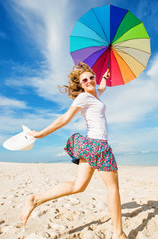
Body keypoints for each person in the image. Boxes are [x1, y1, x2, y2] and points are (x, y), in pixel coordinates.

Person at [19, 62, 127, 239]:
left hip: (90, 147)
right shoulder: (83, 98)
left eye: (91, 77)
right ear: (80, 84)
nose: (89, 81)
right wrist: (41, 134)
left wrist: (105, 78)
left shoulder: (95, 94)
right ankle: (118, 233)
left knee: (78, 186)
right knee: (113, 188)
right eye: (85, 80)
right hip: (98, 146)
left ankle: (35, 199)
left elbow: (101, 88)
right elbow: (65, 118)